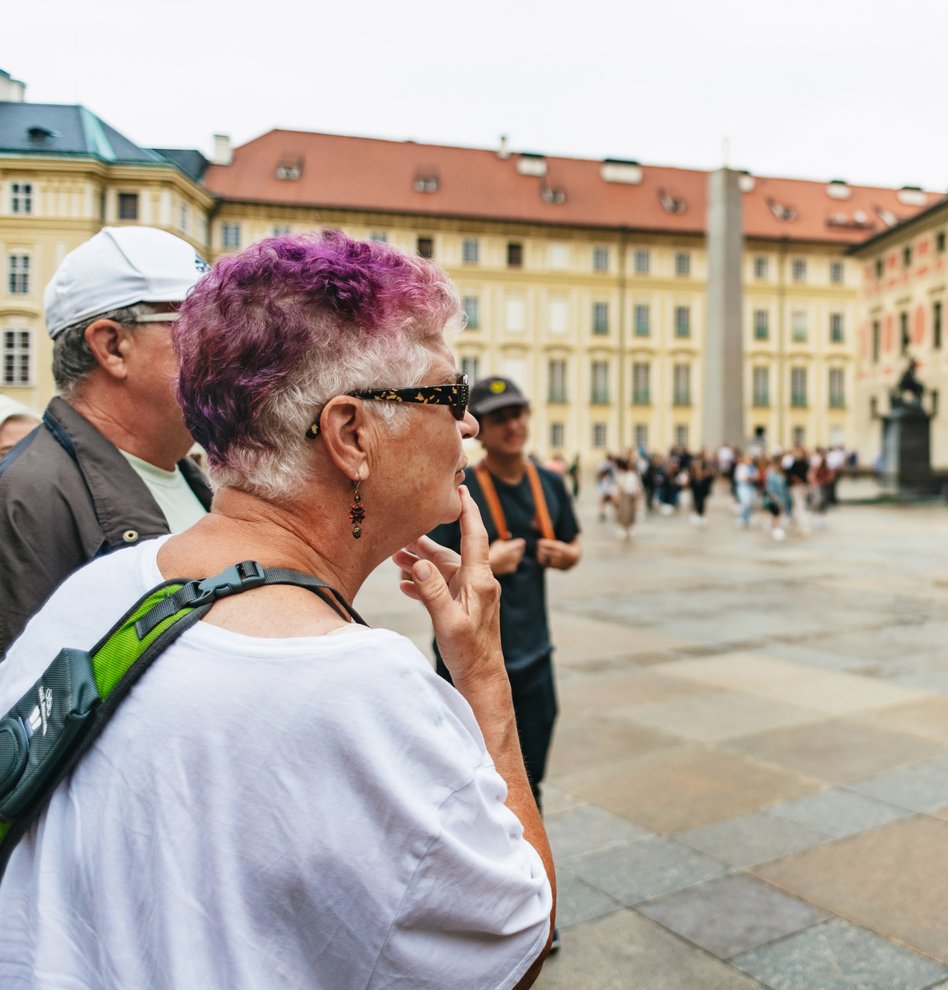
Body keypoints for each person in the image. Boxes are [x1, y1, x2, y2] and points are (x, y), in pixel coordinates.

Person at [0, 231, 554, 987]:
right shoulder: (357, 689)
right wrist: (483, 675)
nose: (467, 425)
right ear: (351, 434)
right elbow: (513, 941)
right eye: (446, 394)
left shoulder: (100, 588)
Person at [0, 227, 213, 656]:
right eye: (201, 329)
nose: (226, 350)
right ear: (112, 346)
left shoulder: (193, 479)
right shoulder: (23, 501)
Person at [429, 375, 581, 811]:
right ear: (479, 427)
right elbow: (430, 570)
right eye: (498, 418)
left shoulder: (549, 484)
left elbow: (575, 544)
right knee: (471, 783)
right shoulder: (459, 488)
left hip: (534, 658)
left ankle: (528, 863)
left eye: (517, 414)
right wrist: (486, 561)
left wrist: (569, 556)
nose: (511, 425)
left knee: (531, 780)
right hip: (468, 663)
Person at [614, 453, 642, 539]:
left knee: (632, 512)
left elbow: (638, 486)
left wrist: (639, 494)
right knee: (623, 512)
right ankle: (622, 528)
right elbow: (619, 486)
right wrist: (617, 496)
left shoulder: (635, 475)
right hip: (625, 495)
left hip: (632, 495)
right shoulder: (623, 474)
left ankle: (630, 527)